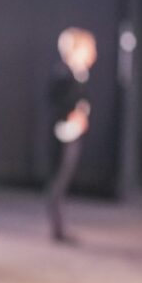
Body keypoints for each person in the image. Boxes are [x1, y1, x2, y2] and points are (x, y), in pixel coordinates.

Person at [45, 27, 97, 243]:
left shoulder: (80, 74)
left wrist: (82, 114)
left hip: (73, 131)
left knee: (64, 178)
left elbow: (83, 101)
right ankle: (57, 227)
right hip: (62, 131)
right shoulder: (63, 73)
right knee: (59, 178)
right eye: (89, 48)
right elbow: (56, 101)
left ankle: (60, 226)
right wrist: (71, 114)